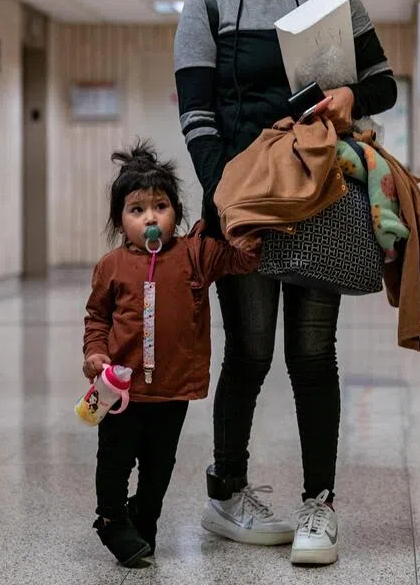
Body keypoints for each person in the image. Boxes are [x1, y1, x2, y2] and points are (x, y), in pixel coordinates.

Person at [173, 0, 398, 566]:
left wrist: (351, 99)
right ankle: (226, 491)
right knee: (250, 351)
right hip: (247, 203)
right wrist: (223, 202)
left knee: (311, 353)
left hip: (321, 195)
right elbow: (198, 117)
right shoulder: (205, 5)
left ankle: (319, 507)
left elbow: (384, 83)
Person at [83, 142, 258, 566]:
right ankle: (109, 518)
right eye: (136, 209)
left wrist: (244, 222)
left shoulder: (194, 255)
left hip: (172, 390)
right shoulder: (111, 266)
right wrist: (95, 353)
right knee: (114, 461)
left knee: (159, 467)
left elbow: (243, 259)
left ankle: (145, 517)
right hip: (121, 391)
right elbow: (97, 318)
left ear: (175, 212)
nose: (149, 217)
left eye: (160, 206)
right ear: (120, 220)